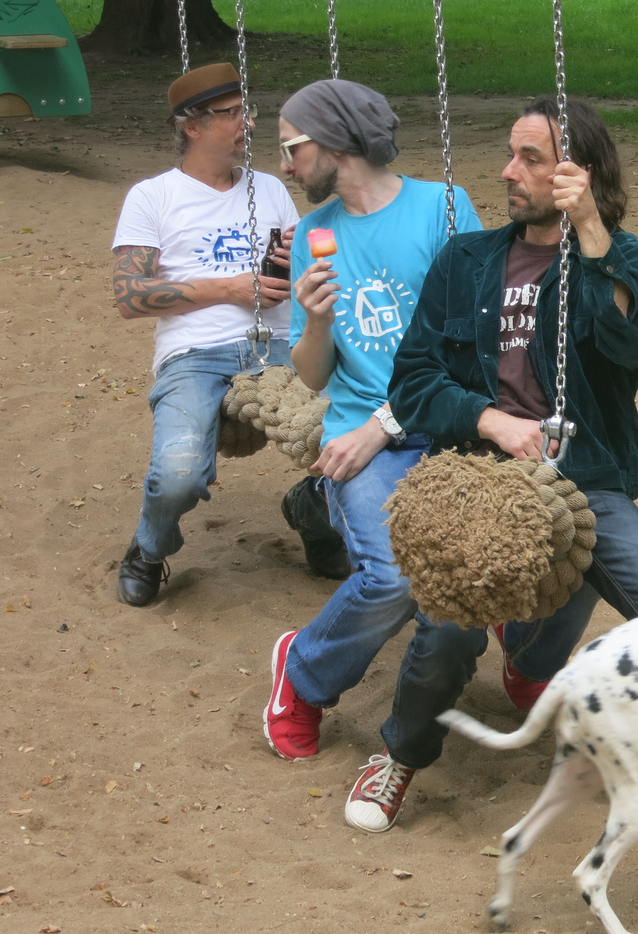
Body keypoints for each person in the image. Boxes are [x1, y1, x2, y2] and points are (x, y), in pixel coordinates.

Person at [331, 97, 638, 834]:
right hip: (481, 476)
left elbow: (637, 342)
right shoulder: (467, 260)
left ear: (579, 174)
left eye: (530, 159)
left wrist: (593, 230)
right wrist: (494, 422)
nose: (508, 172)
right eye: (511, 154)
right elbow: (412, 380)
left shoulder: (619, 257)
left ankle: (556, 676)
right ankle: (400, 755)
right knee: (448, 630)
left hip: (587, 478)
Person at [261, 79, 481, 763]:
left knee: (504, 551)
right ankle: (303, 674)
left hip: (442, 420)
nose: (284, 166)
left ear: (333, 142)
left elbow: (470, 341)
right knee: (393, 580)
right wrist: (318, 322)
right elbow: (313, 374)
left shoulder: (443, 208)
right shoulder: (316, 234)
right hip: (359, 436)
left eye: (290, 148)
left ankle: (532, 668)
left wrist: (385, 424)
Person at [110, 63, 305, 606]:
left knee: (341, 442)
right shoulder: (153, 197)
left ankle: (315, 521)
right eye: (232, 114)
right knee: (176, 475)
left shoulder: (268, 189)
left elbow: (291, 272)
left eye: (249, 111)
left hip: (279, 347)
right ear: (191, 126)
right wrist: (229, 290)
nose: (247, 124)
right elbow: (129, 296)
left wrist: (291, 268)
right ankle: (149, 548)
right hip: (194, 354)